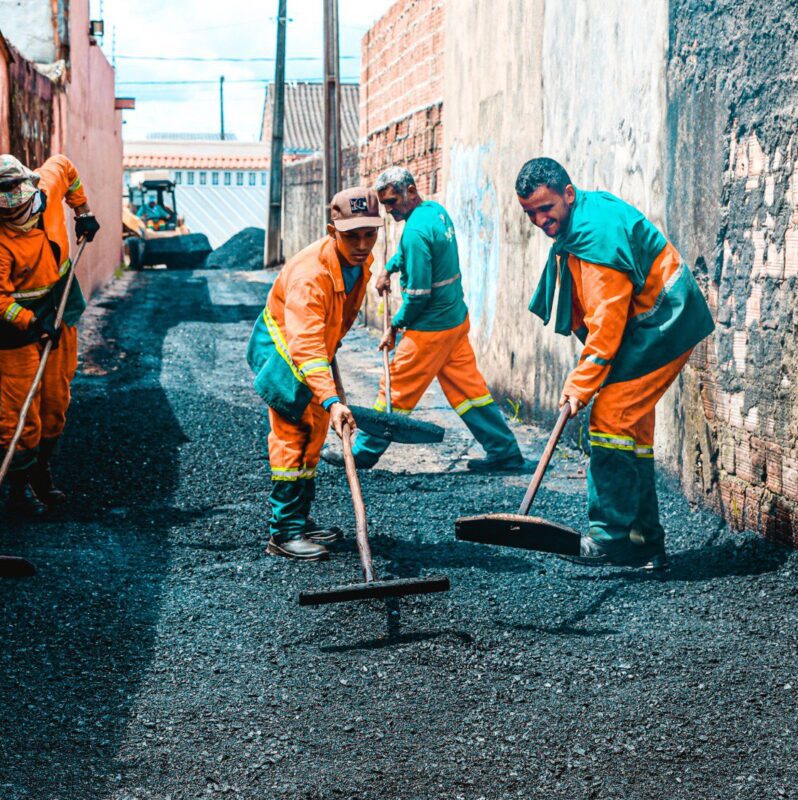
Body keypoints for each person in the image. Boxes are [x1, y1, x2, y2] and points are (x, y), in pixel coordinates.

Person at [515, 157, 714, 569]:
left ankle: (610, 537)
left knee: (609, 415)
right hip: (646, 324)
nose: (539, 220)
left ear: (567, 194)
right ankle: (644, 541)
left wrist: (581, 386)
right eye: (530, 212)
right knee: (631, 428)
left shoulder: (596, 235)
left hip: (663, 321)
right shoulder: (581, 221)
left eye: (545, 208)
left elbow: (606, 323)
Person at [326, 166, 527, 472]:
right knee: (470, 392)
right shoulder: (435, 213)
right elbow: (416, 254)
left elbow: (418, 295)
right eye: (385, 204)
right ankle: (504, 451)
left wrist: (394, 326)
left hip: (430, 331)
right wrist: (389, 268)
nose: (389, 209)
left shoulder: (415, 232)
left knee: (393, 389)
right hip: (455, 323)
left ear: (410, 191)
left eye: (392, 201)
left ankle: (363, 453)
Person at [245, 187, 382, 560]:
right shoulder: (311, 276)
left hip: (316, 350)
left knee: (317, 430)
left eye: (370, 233)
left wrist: (329, 396)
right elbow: (304, 345)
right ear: (331, 229)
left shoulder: (360, 262)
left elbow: (334, 323)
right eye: (352, 235)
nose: (362, 244)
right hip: (285, 353)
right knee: (295, 434)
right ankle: (283, 534)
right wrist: (333, 398)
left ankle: (299, 521)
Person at [0, 154, 101, 514]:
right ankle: (18, 483)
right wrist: (30, 323)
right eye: (6, 212)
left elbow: (66, 167)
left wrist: (83, 211)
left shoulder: (48, 181)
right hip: (15, 322)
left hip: (57, 302)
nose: (15, 217)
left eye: (21, 208)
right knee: (21, 408)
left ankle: (42, 470)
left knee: (56, 399)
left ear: (32, 191)